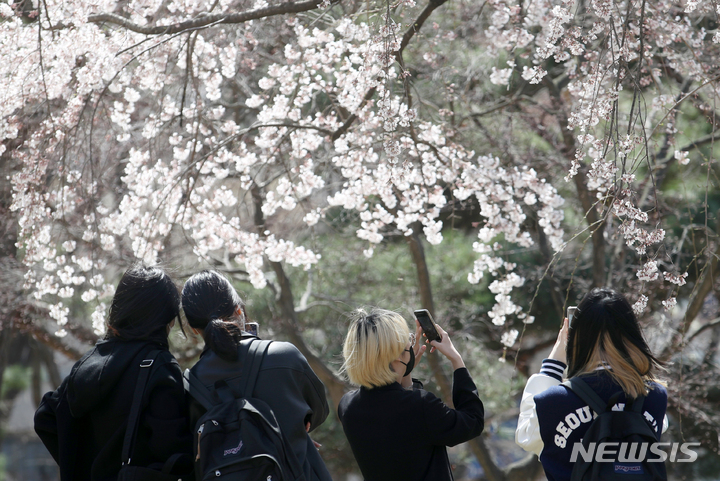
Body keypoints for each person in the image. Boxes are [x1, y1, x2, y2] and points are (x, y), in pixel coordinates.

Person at [34, 265, 194, 481]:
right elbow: (174, 451)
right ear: (164, 317)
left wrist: (76, 465)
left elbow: (45, 417)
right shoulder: (160, 366)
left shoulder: (89, 361)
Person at [181, 270, 333, 481]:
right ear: (239, 310)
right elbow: (319, 410)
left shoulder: (190, 385)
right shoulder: (284, 356)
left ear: (194, 329)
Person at [515, 288, 668, 481]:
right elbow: (660, 426)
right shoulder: (655, 396)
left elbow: (526, 436)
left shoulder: (553, 402)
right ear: (633, 334)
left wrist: (553, 365)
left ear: (575, 338)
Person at [337, 308, 485, 481]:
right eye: (408, 339)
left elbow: (396, 410)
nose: (411, 342)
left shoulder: (347, 406)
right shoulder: (421, 405)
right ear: (396, 353)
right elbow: (473, 421)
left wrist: (404, 372)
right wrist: (456, 360)